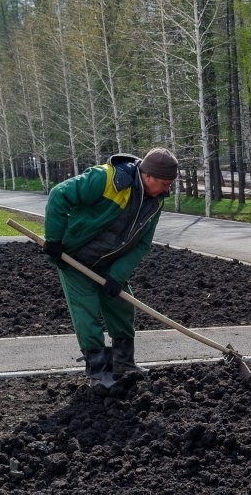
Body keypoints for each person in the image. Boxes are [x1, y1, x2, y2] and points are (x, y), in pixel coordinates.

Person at [43, 147, 178, 393]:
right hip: (75, 258)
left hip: (109, 263)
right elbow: (59, 194)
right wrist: (53, 240)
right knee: (87, 313)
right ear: (149, 177)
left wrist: (117, 275)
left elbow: (142, 244)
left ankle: (124, 364)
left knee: (123, 307)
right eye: (165, 184)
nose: (167, 190)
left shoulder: (155, 202)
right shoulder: (107, 179)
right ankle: (99, 372)